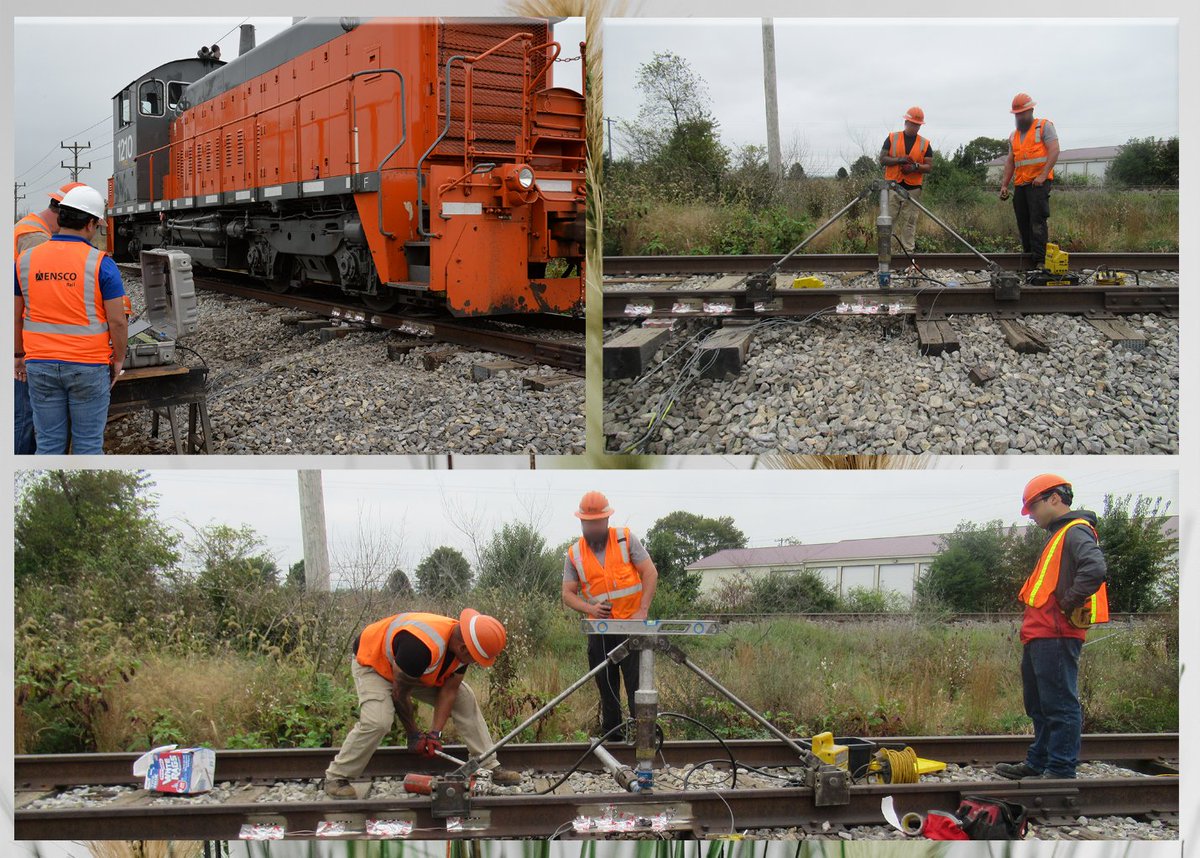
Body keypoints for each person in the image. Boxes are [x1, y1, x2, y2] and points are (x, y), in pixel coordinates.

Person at [323, 608, 524, 798]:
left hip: (412, 671)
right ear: (464, 648)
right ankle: (337, 777)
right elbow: (400, 694)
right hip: (375, 663)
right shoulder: (420, 647)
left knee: (464, 697)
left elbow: (450, 690)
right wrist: (414, 734)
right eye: (476, 658)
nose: (475, 663)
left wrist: (435, 733)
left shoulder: (462, 645)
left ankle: (486, 764)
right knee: (378, 721)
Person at [995, 474, 1110, 781]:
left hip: (1056, 634)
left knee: (1059, 704)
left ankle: (1059, 770)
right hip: (1041, 634)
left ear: (1054, 498)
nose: (1030, 515)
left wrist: (1069, 601)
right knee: (1040, 704)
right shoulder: (1061, 534)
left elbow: (1095, 568)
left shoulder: (1075, 532)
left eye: (1033, 506)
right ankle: (1039, 762)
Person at [15, 184, 128, 455]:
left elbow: (15, 314)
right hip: (88, 367)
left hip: (39, 365)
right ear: (90, 223)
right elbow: (118, 322)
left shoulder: (25, 261)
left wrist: (17, 354)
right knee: (88, 446)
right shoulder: (101, 263)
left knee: (49, 445)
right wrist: (118, 359)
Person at [561, 491, 659, 741]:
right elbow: (568, 594)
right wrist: (591, 610)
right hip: (600, 632)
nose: (591, 527)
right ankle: (613, 736)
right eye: (587, 523)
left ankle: (644, 739)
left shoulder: (625, 539)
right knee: (607, 688)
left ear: (606, 520)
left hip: (631, 628)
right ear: (581, 522)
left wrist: (643, 610)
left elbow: (650, 573)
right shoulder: (575, 553)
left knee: (638, 687)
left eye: (596, 522)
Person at [12, 182, 86, 454]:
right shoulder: (36, 239)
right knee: (25, 417)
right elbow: (43, 299)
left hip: (27, 340)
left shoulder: (32, 228)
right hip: (27, 346)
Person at [998, 93, 1060, 272]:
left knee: (1037, 221)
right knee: (1023, 221)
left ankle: (1040, 260)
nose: (1019, 117)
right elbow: (1011, 161)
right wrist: (1004, 185)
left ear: (1031, 110)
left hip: (1038, 183)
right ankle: (1028, 255)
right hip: (1021, 184)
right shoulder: (1014, 135)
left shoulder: (1044, 126)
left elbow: (1054, 151)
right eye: (1016, 114)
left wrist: (1043, 175)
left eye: (1022, 113)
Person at [879, 106, 933, 254]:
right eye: (912, 123)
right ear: (906, 122)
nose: (915, 127)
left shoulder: (925, 144)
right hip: (892, 186)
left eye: (917, 125)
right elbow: (882, 159)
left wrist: (914, 167)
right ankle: (884, 253)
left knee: (909, 223)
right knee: (887, 221)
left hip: (913, 189)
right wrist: (899, 160)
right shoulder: (892, 138)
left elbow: (928, 167)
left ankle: (908, 254)